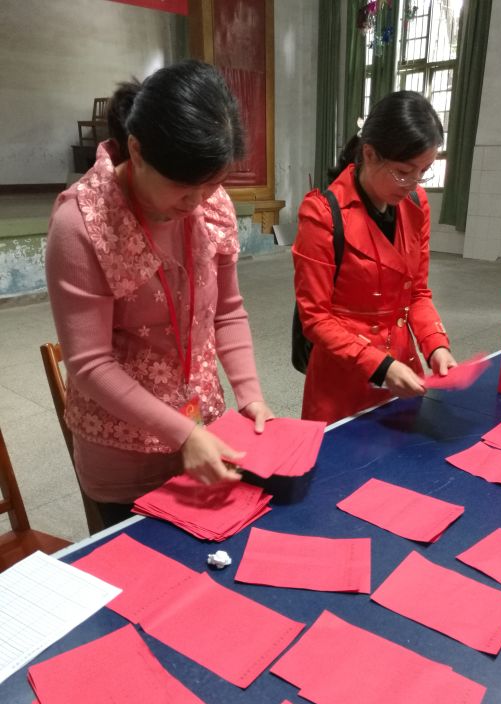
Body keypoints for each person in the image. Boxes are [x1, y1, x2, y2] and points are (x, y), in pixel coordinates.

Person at [45, 60, 273, 527]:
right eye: (183, 187)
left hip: (205, 436)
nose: (197, 202)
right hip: (125, 457)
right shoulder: (83, 223)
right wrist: (182, 434)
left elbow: (227, 312)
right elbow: (89, 365)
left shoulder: (209, 203)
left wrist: (250, 395)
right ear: (137, 149)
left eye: (212, 185)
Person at [293, 90, 457, 424]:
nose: (412, 183)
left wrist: (436, 345)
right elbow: (315, 318)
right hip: (344, 378)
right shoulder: (323, 214)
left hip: (402, 371)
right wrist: (380, 366)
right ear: (369, 154)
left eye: (423, 171)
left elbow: (417, 293)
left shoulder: (416, 205)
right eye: (403, 171)